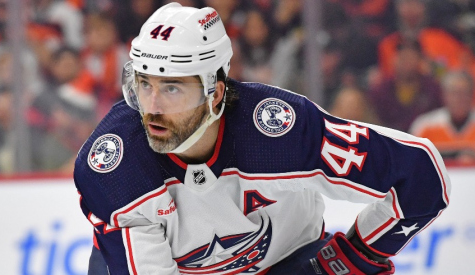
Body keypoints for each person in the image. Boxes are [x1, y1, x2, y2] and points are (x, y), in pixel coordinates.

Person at [74, 3, 451, 274]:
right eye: (143, 85)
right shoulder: (114, 166)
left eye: (172, 89)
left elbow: (420, 173)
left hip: (287, 261)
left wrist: (359, 254)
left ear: (216, 94)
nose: (151, 108)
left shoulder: (279, 131)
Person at [410, 70, 475, 165]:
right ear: (444, 95)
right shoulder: (425, 126)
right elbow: (412, 161)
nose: (460, 98)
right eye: (454, 93)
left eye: (465, 92)